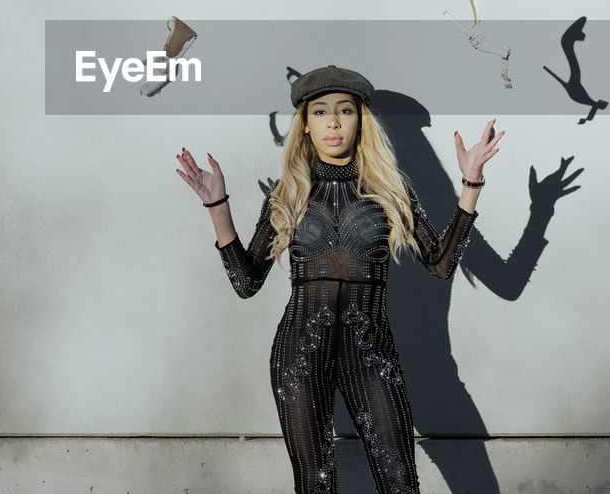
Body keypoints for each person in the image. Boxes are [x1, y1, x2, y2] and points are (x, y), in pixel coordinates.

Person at [175, 65, 504, 494]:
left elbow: (440, 265)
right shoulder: (287, 192)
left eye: (345, 110)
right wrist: (217, 206)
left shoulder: (390, 189)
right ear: (306, 126)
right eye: (320, 112)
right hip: (298, 355)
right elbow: (246, 281)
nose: (333, 121)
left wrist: (471, 183)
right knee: (316, 485)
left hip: (370, 355)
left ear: (360, 121)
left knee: (401, 483)